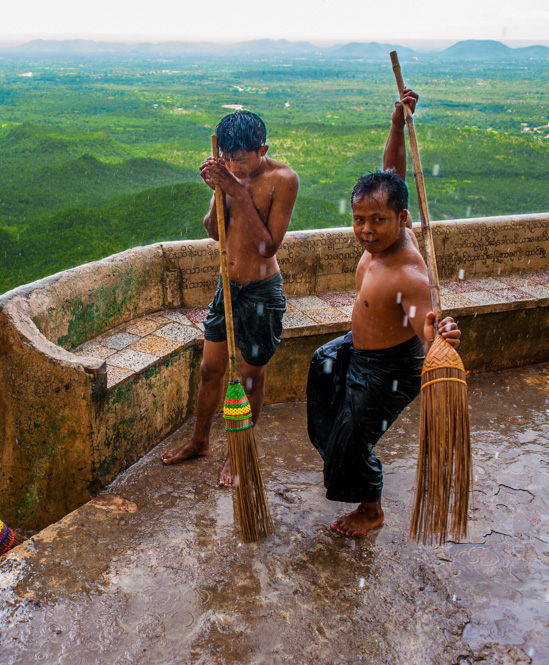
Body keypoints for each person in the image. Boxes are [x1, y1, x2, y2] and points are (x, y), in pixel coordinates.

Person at [306, 88, 461, 537]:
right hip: (356, 350)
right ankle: (340, 452)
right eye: (359, 219)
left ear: (403, 218)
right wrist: (397, 124)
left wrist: (442, 334)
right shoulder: (389, 217)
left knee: (353, 440)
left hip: (390, 366)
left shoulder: (408, 273)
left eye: (377, 220)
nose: (367, 230)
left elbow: (428, 330)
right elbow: (389, 175)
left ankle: (370, 508)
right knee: (325, 384)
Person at [162, 110, 299, 486]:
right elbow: (213, 231)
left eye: (241, 158)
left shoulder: (282, 179)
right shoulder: (229, 176)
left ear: (262, 149)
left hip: (260, 290)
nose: (235, 165)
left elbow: (267, 245)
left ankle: (238, 453)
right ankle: (200, 440)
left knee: (251, 378)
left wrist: (236, 190)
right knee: (210, 370)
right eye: (228, 158)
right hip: (228, 285)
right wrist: (219, 191)